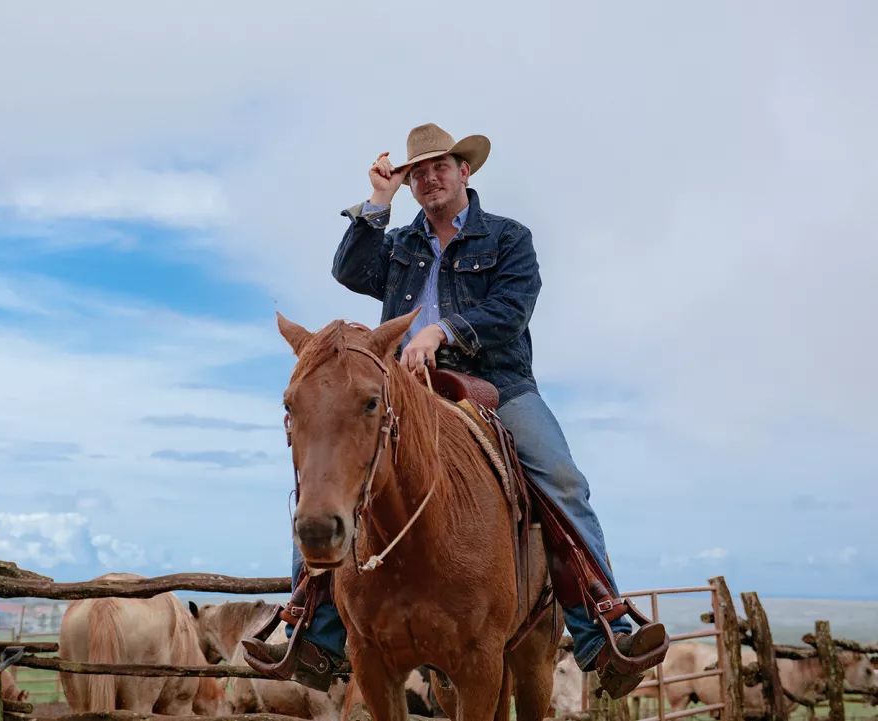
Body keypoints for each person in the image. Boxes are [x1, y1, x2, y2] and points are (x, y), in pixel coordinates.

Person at [246, 123, 667, 696]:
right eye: (417, 172)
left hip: (497, 383)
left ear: (464, 171)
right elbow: (348, 270)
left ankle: (604, 628)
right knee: (331, 465)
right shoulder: (399, 245)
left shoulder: (509, 238)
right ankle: (314, 632)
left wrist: (441, 331)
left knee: (562, 480)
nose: (428, 178)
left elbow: (510, 311)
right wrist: (377, 201)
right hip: (404, 388)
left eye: (439, 167)